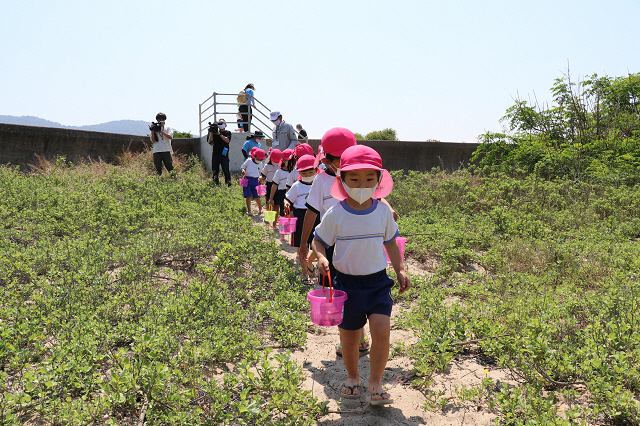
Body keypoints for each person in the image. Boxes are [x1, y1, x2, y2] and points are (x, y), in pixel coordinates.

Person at [311, 144, 410, 405]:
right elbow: (318, 240)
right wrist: (321, 256)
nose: (362, 183)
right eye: (354, 178)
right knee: (350, 338)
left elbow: (391, 242)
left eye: (369, 178)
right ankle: (353, 377)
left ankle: (375, 383)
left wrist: (399, 268)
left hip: (377, 283)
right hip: (347, 286)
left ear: (379, 181)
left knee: (382, 331)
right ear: (342, 180)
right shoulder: (336, 214)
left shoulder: (382, 212)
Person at [298, 128, 370, 356]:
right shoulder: (321, 181)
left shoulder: (359, 177)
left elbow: (377, 198)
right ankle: (348, 340)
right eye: (341, 157)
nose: (347, 161)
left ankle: (359, 338)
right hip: (330, 247)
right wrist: (303, 246)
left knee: (356, 291)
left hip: (356, 245)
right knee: (338, 293)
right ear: (327, 160)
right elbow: (311, 214)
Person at [284, 154, 319, 284]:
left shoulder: (319, 184)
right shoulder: (297, 186)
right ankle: (305, 274)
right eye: (304, 172)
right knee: (302, 246)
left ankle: (310, 262)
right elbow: (287, 198)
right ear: (299, 172)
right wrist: (286, 203)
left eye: (311, 171)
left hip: (317, 216)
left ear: (316, 170)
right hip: (301, 217)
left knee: (318, 245)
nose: (308, 174)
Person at [268, 148, 295, 231]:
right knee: (279, 209)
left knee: (290, 211)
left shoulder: (294, 171)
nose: (291, 163)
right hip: (281, 192)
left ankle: (287, 227)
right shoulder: (279, 172)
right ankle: (275, 225)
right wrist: (271, 198)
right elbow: (274, 185)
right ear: (283, 160)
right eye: (289, 161)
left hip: (292, 192)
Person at [241, 148, 265, 216]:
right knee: (248, 196)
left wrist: (260, 177)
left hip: (256, 181)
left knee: (257, 196)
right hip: (247, 180)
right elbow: (243, 166)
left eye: (261, 159)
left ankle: (260, 208)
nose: (260, 160)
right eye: (259, 158)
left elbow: (261, 172)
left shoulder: (261, 164)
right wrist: (243, 170)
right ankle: (249, 210)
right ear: (254, 156)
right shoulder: (249, 160)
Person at [208, 119, 232, 186]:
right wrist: (212, 133)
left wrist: (219, 134)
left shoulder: (228, 132)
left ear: (225, 125)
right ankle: (215, 183)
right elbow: (210, 143)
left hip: (224, 155)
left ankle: (228, 183)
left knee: (226, 170)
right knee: (215, 170)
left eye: (222, 123)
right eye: (220, 123)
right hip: (215, 154)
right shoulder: (214, 133)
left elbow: (227, 140)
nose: (221, 124)